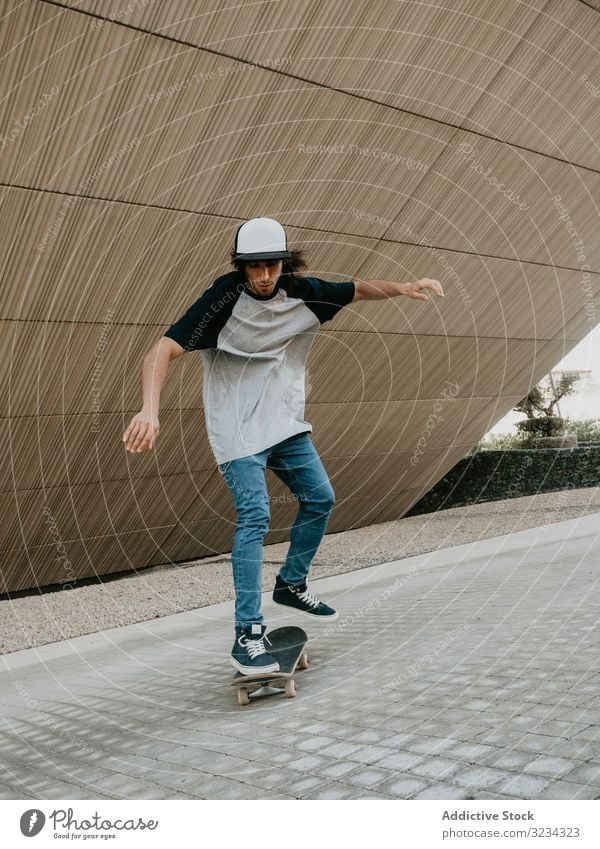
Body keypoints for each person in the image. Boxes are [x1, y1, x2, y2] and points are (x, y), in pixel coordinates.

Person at [122, 217, 444, 674]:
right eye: (252, 268)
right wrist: (149, 410)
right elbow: (163, 349)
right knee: (255, 515)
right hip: (236, 430)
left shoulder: (303, 291)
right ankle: (247, 633)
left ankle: (291, 584)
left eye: (271, 266)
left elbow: (357, 289)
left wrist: (404, 287)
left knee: (320, 498)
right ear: (241, 267)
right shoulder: (222, 300)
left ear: (283, 262)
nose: (263, 277)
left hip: (282, 421)